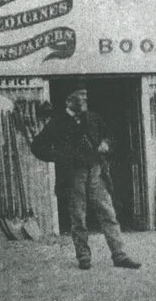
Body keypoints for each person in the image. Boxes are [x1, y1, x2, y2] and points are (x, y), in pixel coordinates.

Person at [31, 88, 141, 270]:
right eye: (79, 97)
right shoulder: (56, 123)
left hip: (96, 172)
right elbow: (37, 146)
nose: (83, 99)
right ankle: (83, 257)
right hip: (74, 175)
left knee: (108, 214)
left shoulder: (93, 118)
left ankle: (119, 255)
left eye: (85, 96)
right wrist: (58, 156)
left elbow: (109, 137)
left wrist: (106, 144)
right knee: (78, 217)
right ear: (68, 101)